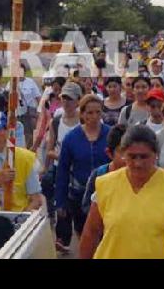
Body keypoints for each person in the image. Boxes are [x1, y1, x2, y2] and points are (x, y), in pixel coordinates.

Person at [79, 125, 164, 259]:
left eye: (144, 156)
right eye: (132, 156)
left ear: (156, 155)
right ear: (124, 154)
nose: (138, 163)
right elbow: (91, 232)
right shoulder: (105, 184)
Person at [55, 95, 111, 253]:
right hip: (79, 196)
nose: (94, 117)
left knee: (105, 237)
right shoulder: (71, 138)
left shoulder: (110, 135)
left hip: (108, 194)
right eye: (89, 113)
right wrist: (60, 201)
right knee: (85, 236)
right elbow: (63, 171)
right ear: (82, 114)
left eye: (97, 112)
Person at [0, 111, 44, 213]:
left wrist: (19, 221)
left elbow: (35, 200)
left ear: (7, 131)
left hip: (18, 221)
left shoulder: (25, 158)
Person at [42, 81, 83, 226]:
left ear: (78, 100)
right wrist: (46, 167)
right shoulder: (56, 122)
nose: (66, 102)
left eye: (70, 98)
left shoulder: (85, 120)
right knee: (59, 200)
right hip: (61, 169)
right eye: (64, 98)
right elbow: (50, 148)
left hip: (80, 170)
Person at [82, 124, 128, 215]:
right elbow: (86, 206)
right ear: (109, 153)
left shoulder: (139, 175)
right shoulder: (99, 175)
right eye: (122, 152)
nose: (127, 158)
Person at [6, 62, 42, 150]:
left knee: (28, 134)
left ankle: (28, 152)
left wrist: (40, 111)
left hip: (28, 113)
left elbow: (38, 98)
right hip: (15, 113)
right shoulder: (10, 83)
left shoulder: (30, 82)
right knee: (15, 134)